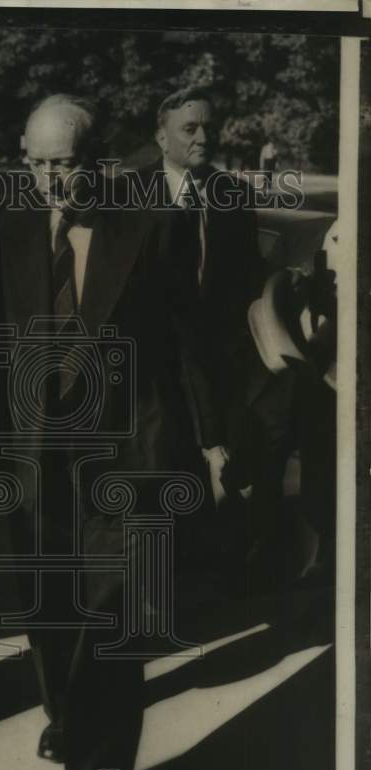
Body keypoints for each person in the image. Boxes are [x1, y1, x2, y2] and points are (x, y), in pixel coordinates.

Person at [0, 95, 213, 770]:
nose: (58, 179)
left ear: (100, 161)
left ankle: (101, 768)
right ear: (26, 161)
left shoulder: (146, 223)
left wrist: (211, 437)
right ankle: (66, 714)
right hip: (33, 450)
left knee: (112, 610)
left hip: (126, 448)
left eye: (72, 163)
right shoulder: (7, 226)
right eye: (43, 164)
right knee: (49, 604)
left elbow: (184, 339)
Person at [135, 87, 265, 508]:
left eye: (209, 128)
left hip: (222, 362)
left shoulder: (235, 195)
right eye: (189, 128)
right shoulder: (126, 196)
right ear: (161, 138)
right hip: (153, 368)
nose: (203, 138)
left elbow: (247, 286)